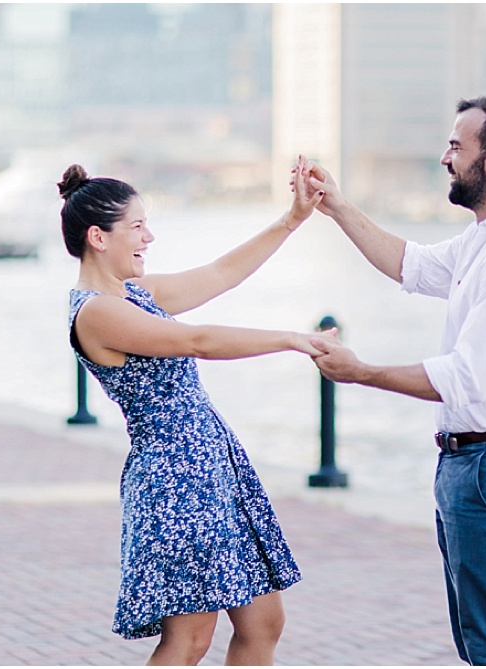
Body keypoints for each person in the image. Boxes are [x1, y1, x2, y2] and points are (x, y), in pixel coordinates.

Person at [307, 95, 486, 666]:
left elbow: (466, 377)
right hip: (475, 465)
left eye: (456, 146)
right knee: (482, 647)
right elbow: (415, 265)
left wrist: (360, 372)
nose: (446, 158)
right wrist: (338, 207)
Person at [60, 157, 331, 665]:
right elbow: (197, 341)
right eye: (137, 227)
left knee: (263, 623)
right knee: (190, 639)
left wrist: (292, 219)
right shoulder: (97, 312)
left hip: (214, 470)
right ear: (98, 237)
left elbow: (221, 273)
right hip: (176, 482)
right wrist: (293, 339)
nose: (149, 237)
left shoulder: (136, 294)